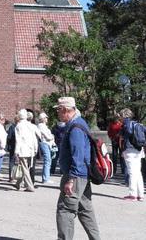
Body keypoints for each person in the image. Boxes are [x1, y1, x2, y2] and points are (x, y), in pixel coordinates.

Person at [54, 97, 101, 240]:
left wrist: (71, 179)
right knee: (85, 209)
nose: (57, 112)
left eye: (59, 110)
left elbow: (78, 155)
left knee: (65, 210)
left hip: (75, 175)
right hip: (82, 175)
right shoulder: (78, 124)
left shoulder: (75, 128)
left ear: (67, 110)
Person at [120, 107, 146, 201]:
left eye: (120, 116)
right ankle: (140, 194)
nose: (120, 118)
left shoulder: (126, 123)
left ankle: (132, 194)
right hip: (138, 149)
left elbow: (128, 132)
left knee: (131, 172)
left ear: (124, 116)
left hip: (130, 150)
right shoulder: (137, 124)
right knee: (138, 172)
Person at [12, 109, 38, 192]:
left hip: (23, 150)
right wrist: (35, 148)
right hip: (30, 149)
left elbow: (18, 140)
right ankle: (18, 183)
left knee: (25, 168)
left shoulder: (19, 126)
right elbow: (34, 138)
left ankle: (30, 186)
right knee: (25, 167)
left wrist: (16, 151)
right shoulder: (30, 125)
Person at [38, 112, 57, 184]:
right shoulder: (41, 126)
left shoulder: (44, 126)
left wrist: (51, 136)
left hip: (47, 144)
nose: (47, 119)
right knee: (47, 160)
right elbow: (48, 137)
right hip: (45, 143)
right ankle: (45, 178)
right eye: (45, 118)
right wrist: (52, 136)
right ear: (42, 119)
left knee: (48, 160)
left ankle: (46, 177)